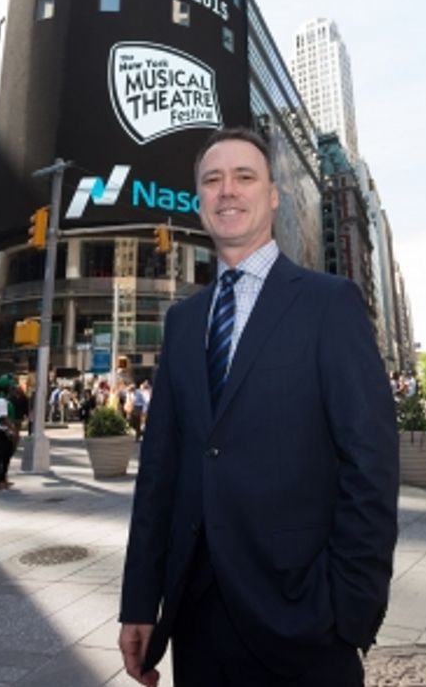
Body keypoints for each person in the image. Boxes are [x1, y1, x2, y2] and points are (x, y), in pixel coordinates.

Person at [119, 128, 399, 687]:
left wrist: (349, 609)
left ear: (273, 196)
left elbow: (370, 464)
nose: (228, 191)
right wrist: (140, 602)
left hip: (304, 622)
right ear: (199, 200)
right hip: (196, 623)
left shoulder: (329, 303)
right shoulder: (182, 323)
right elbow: (160, 472)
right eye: (212, 180)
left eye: (245, 177)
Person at [0, 376, 17, 491]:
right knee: (0, 455)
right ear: (6, 388)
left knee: (6, 455)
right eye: (11, 387)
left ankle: (3, 478)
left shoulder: (5, 400)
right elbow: (3, 417)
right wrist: (13, 429)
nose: (13, 389)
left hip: (5, 430)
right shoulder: (0, 401)